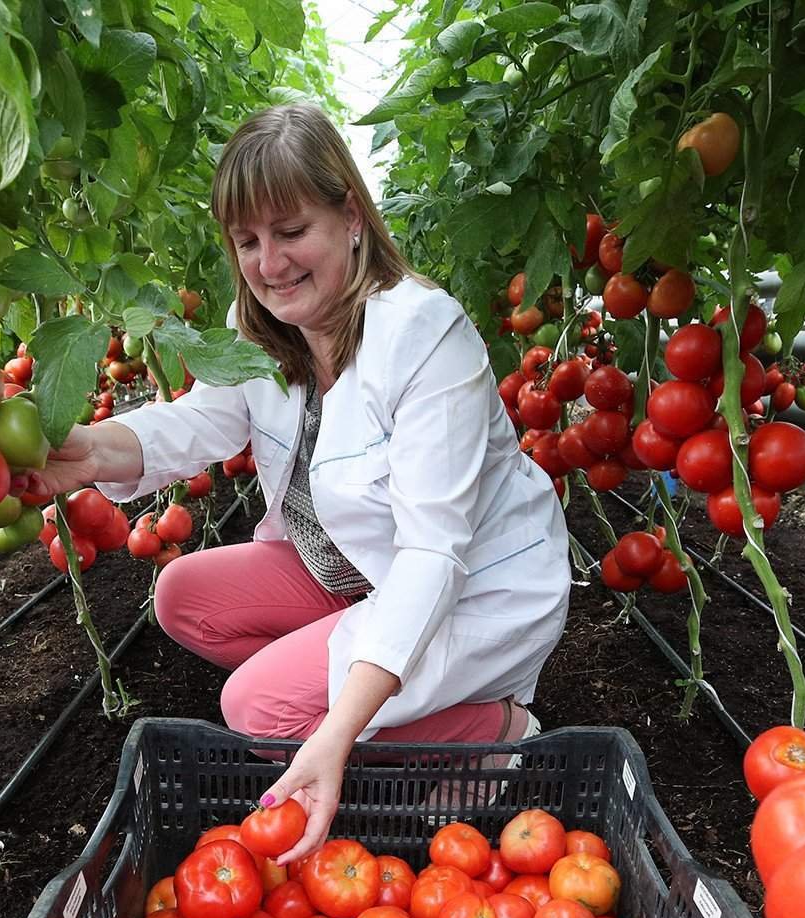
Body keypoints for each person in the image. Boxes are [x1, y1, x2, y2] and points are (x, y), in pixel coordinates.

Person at [38, 104, 570, 863]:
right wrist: (89, 450)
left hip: (468, 586)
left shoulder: (425, 335)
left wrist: (334, 731)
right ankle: (358, 692)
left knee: (254, 706)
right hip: (352, 571)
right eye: (247, 241)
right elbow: (198, 422)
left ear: (350, 215)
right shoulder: (260, 327)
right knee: (183, 598)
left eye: (291, 233)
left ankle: (496, 731)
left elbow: (430, 556)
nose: (269, 264)